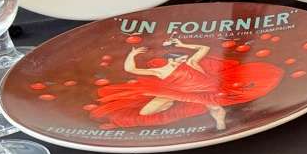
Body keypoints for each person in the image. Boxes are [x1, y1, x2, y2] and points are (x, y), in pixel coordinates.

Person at [89, 39, 283, 130]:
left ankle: (220, 124)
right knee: (145, 113)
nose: (183, 60)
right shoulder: (160, 71)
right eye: (179, 58)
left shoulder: (191, 63)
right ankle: (167, 105)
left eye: (183, 58)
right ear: (171, 60)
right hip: (179, 92)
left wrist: (182, 45)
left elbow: (203, 48)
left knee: (215, 107)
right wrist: (132, 54)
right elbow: (131, 69)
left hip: (207, 90)